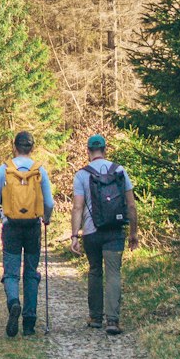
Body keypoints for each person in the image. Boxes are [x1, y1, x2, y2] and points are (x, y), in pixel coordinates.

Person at [0, 129, 54, 337]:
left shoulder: (4, 170)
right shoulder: (39, 171)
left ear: (15, 147)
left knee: (11, 271)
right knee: (31, 273)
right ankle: (29, 322)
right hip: (33, 226)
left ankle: (14, 302)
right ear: (31, 148)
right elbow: (49, 202)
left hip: (12, 226)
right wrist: (46, 217)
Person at [70, 133, 138, 335]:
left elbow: (77, 207)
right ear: (105, 149)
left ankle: (95, 317)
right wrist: (133, 233)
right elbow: (131, 205)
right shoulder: (119, 170)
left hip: (92, 232)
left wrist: (75, 234)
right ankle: (113, 321)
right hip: (115, 230)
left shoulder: (82, 175)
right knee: (113, 273)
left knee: (95, 271)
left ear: (88, 151)